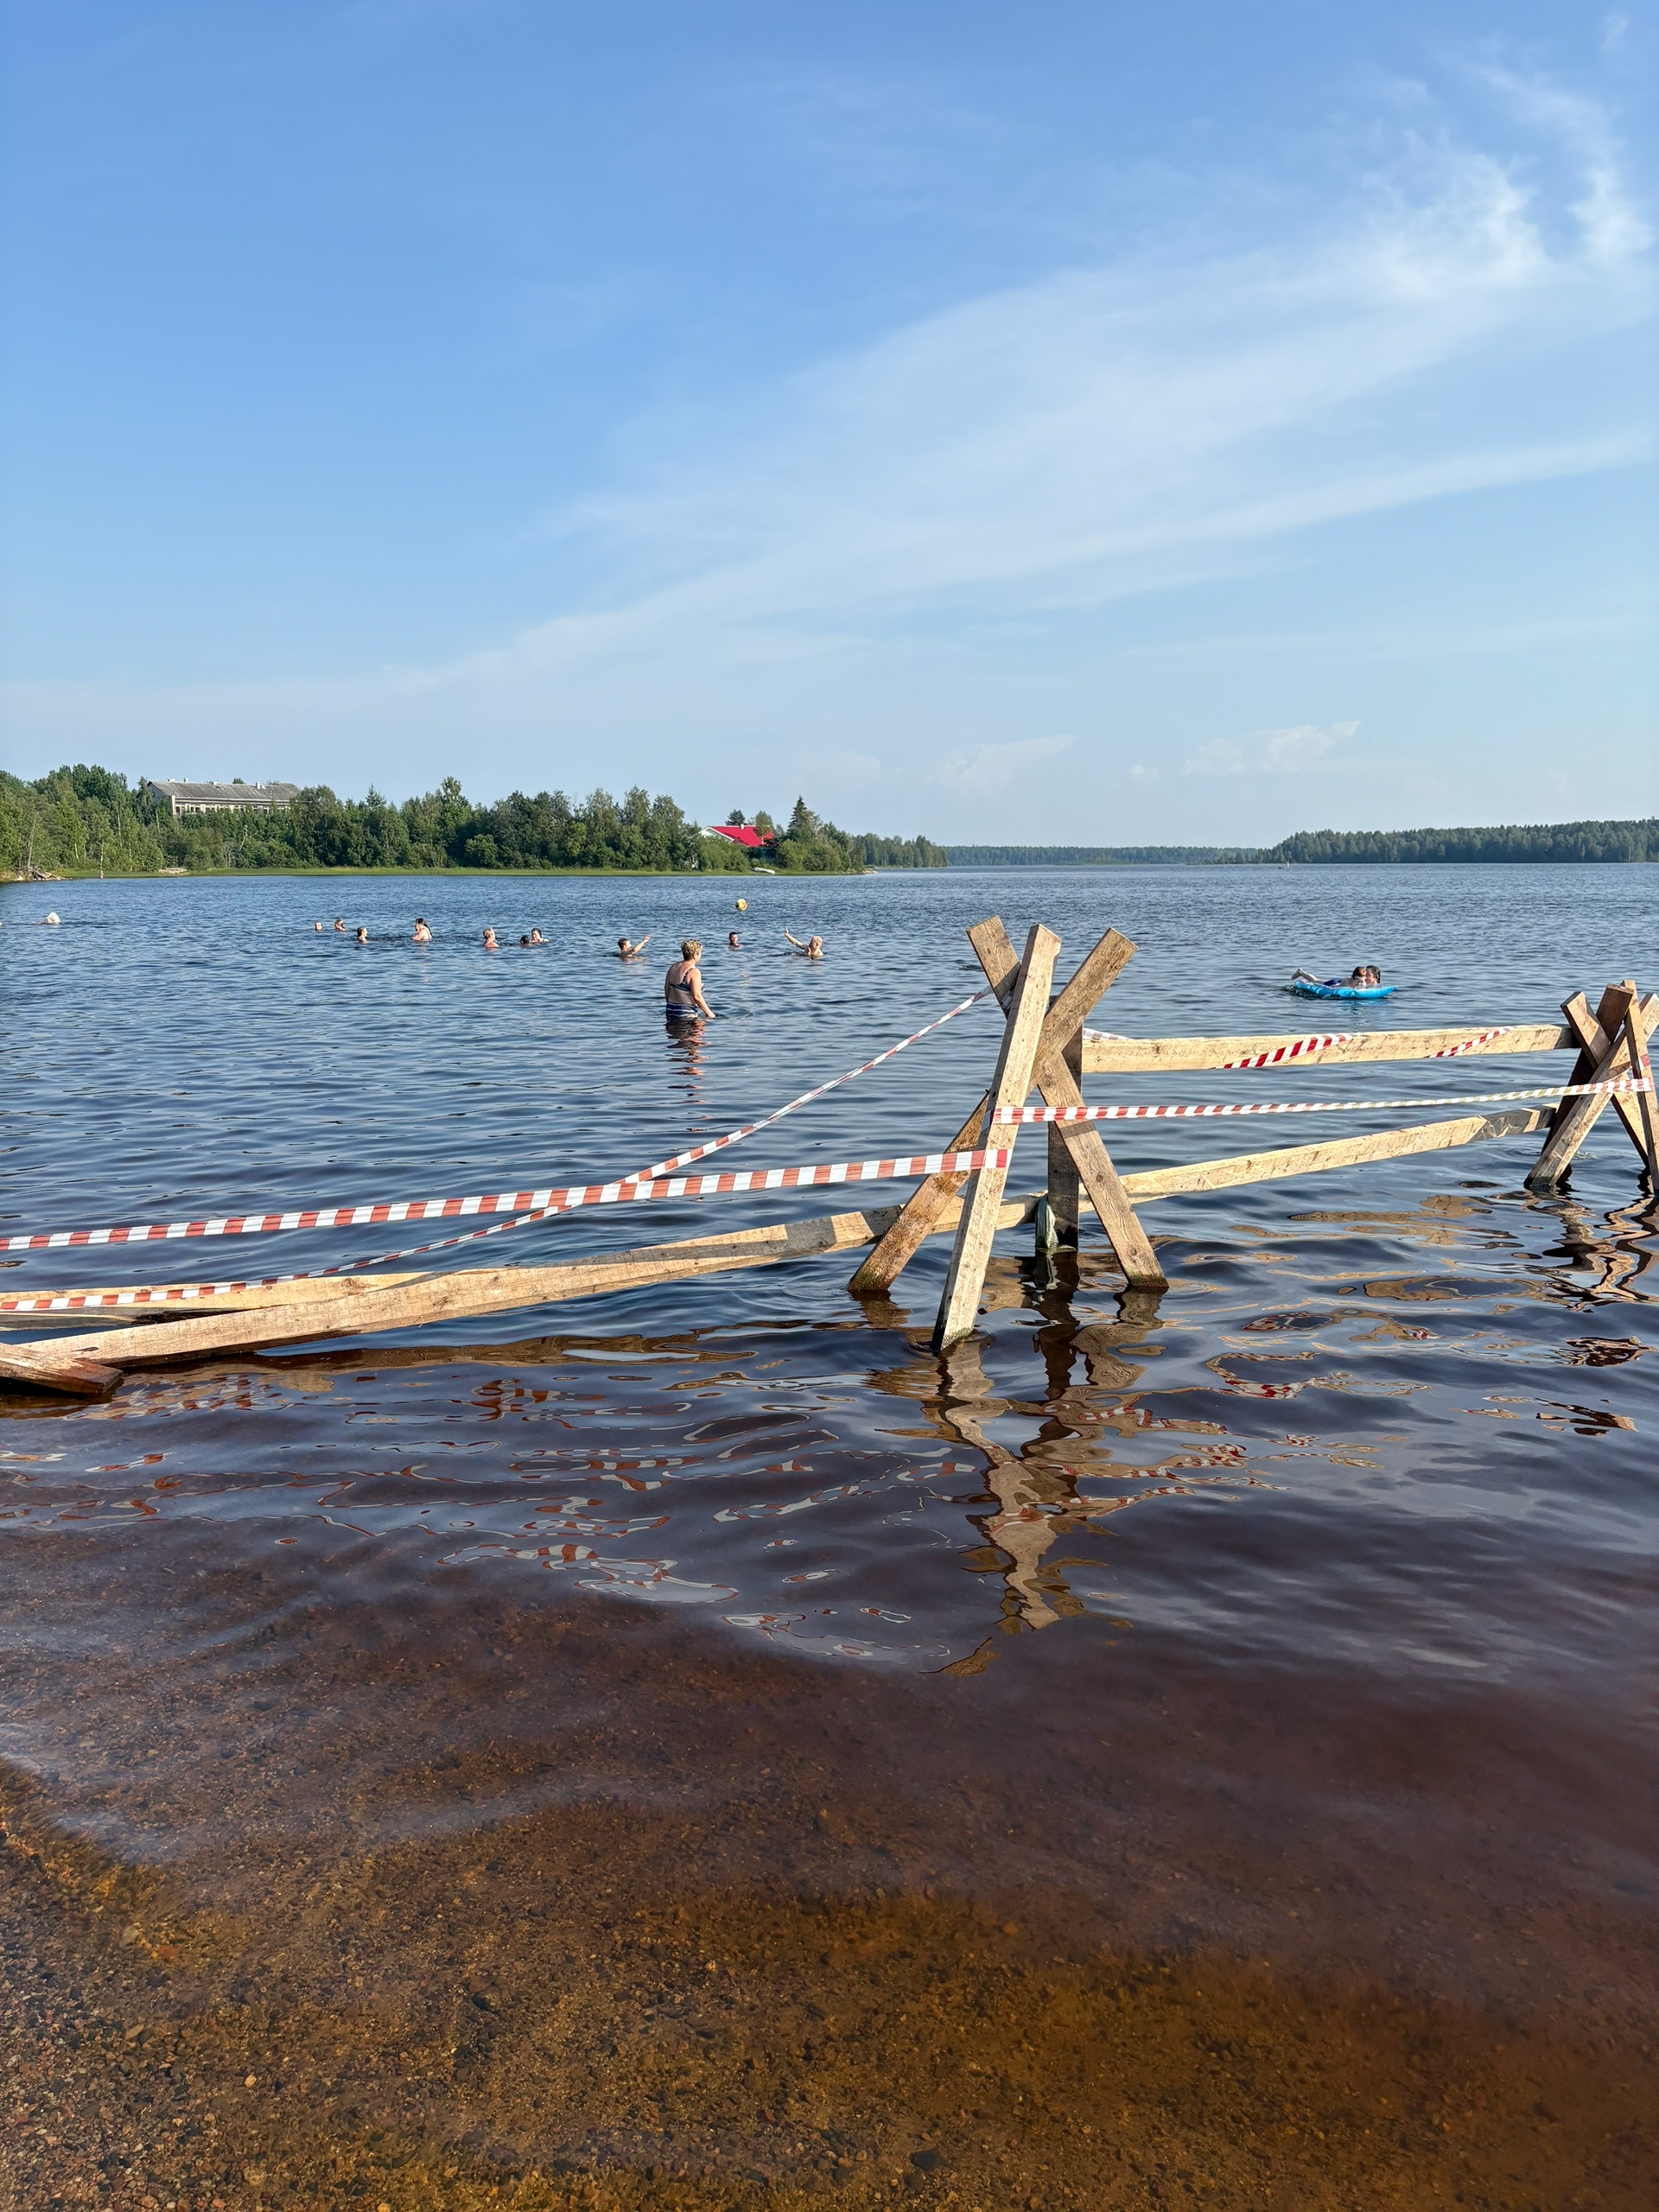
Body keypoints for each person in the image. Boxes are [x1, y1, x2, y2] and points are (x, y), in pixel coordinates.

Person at [664, 938, 713, 1020]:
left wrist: (671, 1005)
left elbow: (666, 988)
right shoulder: (693, 971)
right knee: (700, 1031)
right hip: (686, 1012)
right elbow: (696, 996)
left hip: (670, 1009)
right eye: (700, 953)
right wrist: (709, 1014)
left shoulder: (673, 967)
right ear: (695, 954)